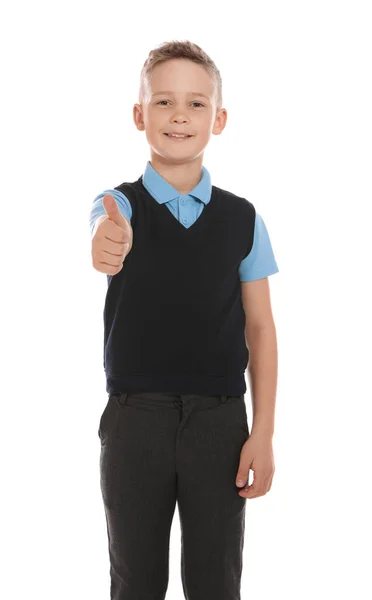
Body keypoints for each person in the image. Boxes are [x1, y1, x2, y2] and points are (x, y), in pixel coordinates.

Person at [89, 39, 279, 600]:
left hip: (220, 424)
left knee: (216, 582)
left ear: (218, 119)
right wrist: (107, 239)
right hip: (134, 423)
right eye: (163, 101)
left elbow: (261, 328)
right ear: (138, 115)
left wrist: (262, 431)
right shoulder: (117, 205)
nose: (179, 115)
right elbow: (103, 225)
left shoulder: (242, 218)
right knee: (134, 581)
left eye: (196, 104)